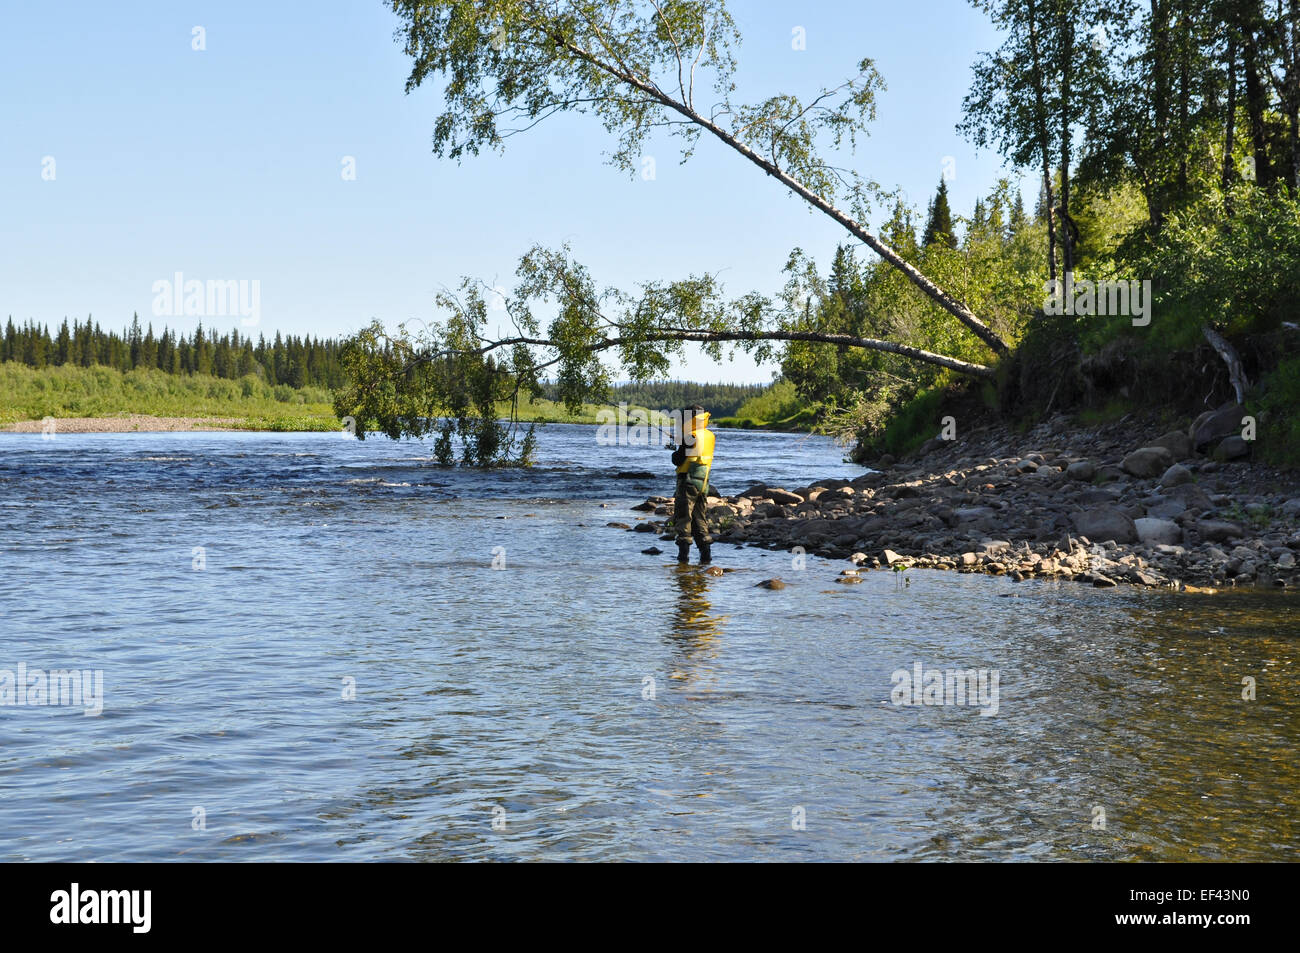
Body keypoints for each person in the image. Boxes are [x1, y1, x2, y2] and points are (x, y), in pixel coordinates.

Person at [669, 405, 715, 565]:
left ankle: (683, 560)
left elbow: (678, 459)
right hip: (703, 483)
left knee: (683, 519)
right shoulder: (708, 435)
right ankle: (706, 557)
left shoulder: (691, 436)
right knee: (699, 519)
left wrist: (675, 450)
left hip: (687, 482)